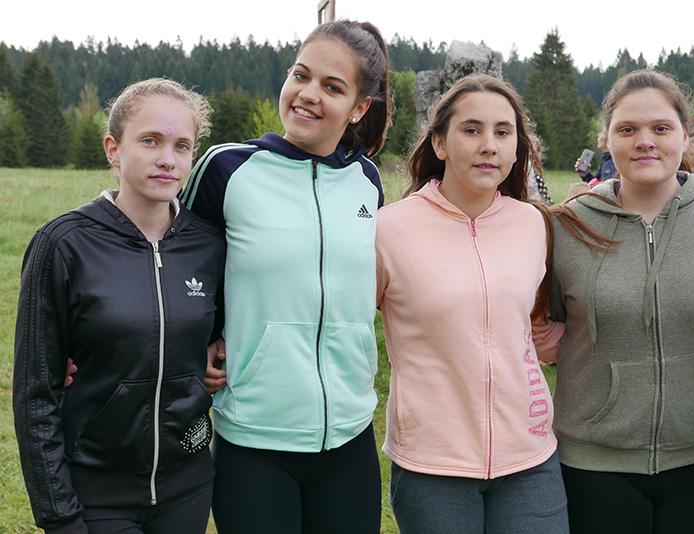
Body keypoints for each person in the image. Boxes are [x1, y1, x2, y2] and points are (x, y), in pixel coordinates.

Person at [179, 20, 392, 533]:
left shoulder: (367, 181)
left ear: (359, 107)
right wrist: (202, 342)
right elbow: (178, 272)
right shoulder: (226, 169)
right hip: (254, 439)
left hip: (349, 437)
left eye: (332, 87)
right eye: (301, 75)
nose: (308, 94)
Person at [540, 69, 694, 534]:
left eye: (661, 128)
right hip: (592, 460)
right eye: (628, 129)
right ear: (607, 139)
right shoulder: (568, 226)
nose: (645, 141)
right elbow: (544, 326)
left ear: (686, 135)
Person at [14, 78, 223, 533]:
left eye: (182, 146)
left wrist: (218, 351)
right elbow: (35, 394)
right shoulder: (63, 245)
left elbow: (218, 329)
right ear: (113, 149)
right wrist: (59, 515)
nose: (167, 158)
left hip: (187, 487)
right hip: (97, 493)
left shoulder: (209, 245)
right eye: (150, 141)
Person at [376, 74, 569, 534]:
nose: (489, 146)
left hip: (529, 457)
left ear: (517, 147)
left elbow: (534, 327)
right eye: (471, 130)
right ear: (440, 143)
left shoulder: (532, 224)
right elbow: (341, 326)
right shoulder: (389, 230)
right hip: (433, 464)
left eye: (503, 132)